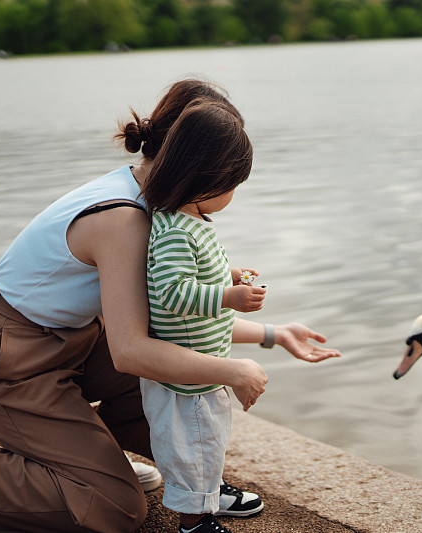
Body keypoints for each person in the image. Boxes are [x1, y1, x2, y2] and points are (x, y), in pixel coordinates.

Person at [0, 79, 340, 533]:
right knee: (115, 507)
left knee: (179, 383)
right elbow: (131, 351)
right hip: (7, 359)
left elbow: (174, 322)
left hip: (72, 342)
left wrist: (274, 333)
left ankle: (104, 457)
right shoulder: (125, 220)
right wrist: (232, 371)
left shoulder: (153, 203)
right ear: (197, 167)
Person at [139, 99, 338, 533]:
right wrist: (227, 296)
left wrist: (227, 273)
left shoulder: (188, 222)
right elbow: (170, 291)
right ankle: (195, 523)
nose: (233, 195)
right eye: (233, 185)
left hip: (200, 368)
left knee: (206, 442)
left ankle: (208, 497)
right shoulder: (174, 228)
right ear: (205, 180)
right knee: (194, 445)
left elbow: (191, 272)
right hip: (186, 376)